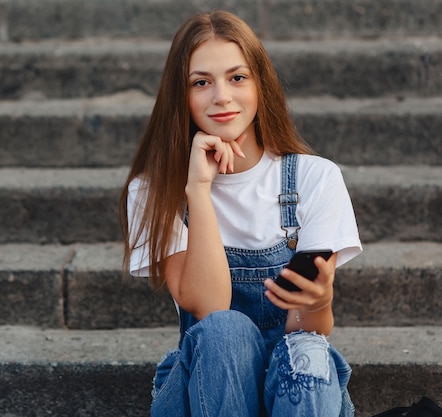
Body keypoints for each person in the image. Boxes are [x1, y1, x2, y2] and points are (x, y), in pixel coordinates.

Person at [119, 10, 362, 417]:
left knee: (305, 350)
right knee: (224, 329)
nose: (222, 97)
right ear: (181, 96)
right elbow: (210, 307)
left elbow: (308, 332)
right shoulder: (152, 191)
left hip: (294, 385)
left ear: (260, 85)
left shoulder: (315, 178)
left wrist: (319, 302)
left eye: (237, 77)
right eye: (201, 82)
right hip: (207, 390)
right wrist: (197, 190)